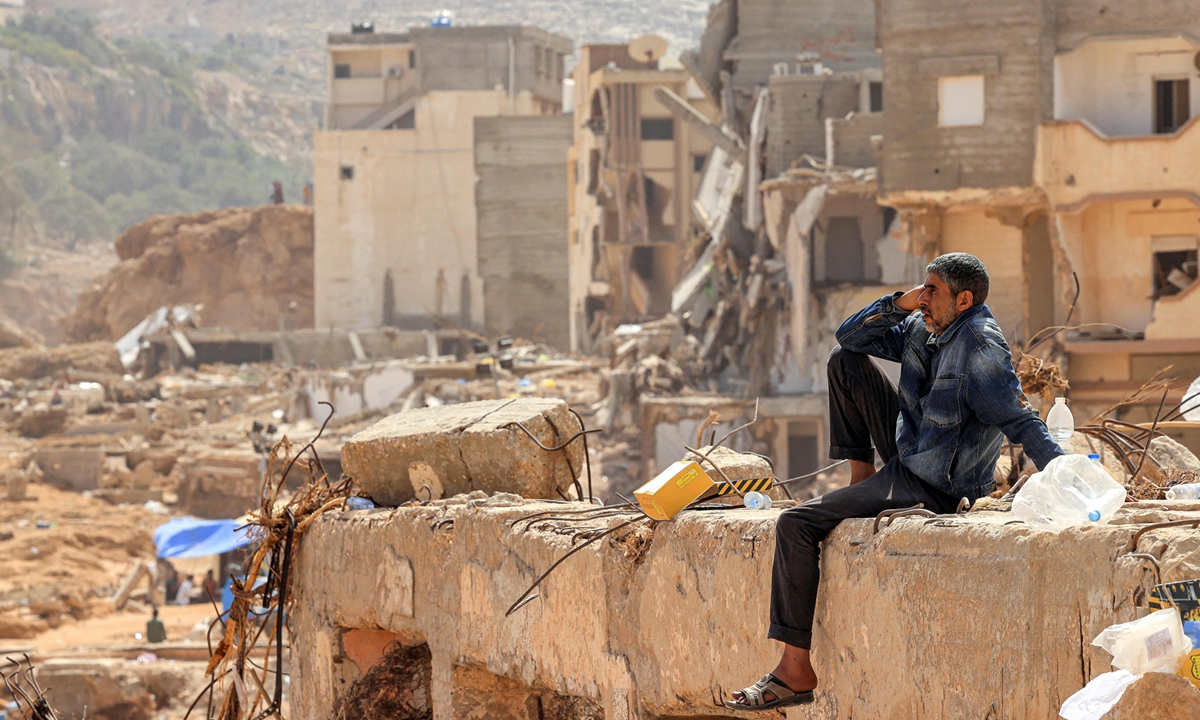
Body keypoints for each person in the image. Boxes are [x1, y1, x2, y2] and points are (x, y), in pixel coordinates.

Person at [726, 252, 1064, 711]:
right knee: (843, 361)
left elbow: (1021, 421)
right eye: (922, 289)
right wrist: (899, 304)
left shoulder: (982, 350)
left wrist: (1070, 477)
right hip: (909, 452)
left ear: (963, 300)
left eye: (933, 292)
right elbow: (850, 336)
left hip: (937, 485)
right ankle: (861, 478)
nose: (924, 299)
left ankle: (794, 671)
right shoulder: (925, 325)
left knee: (796, 525)